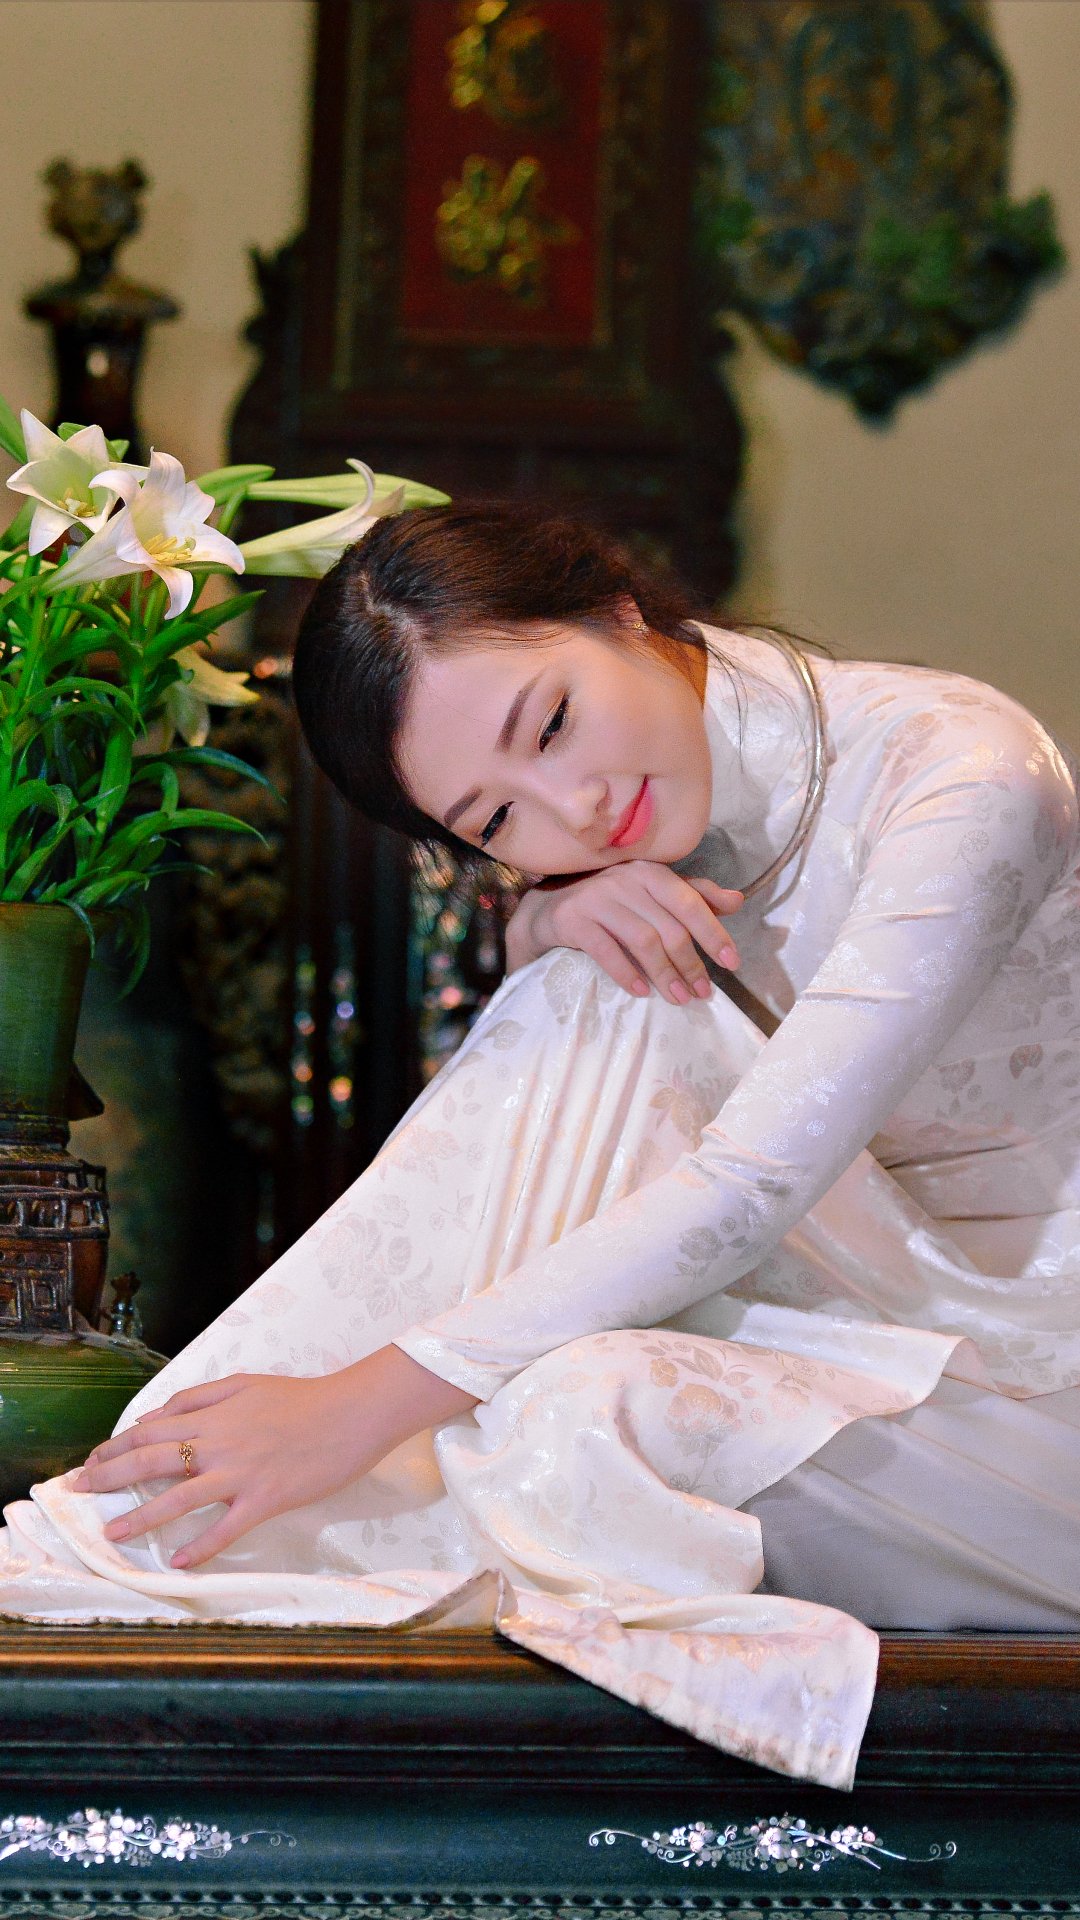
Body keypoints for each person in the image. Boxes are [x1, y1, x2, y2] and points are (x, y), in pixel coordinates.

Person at [2, 504, 1078, 1791]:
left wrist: (358, 1405)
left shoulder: (964, 779)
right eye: (497, 821)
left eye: (553, 722)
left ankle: (281, 1476)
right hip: (873, 1326)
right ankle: (203, 1492)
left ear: (619, 610)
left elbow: (748, 1186)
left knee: (580, 1417)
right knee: (598, 971)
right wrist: (548, 921)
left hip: (1040, 1386)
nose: (577, 808)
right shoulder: (629, 833)